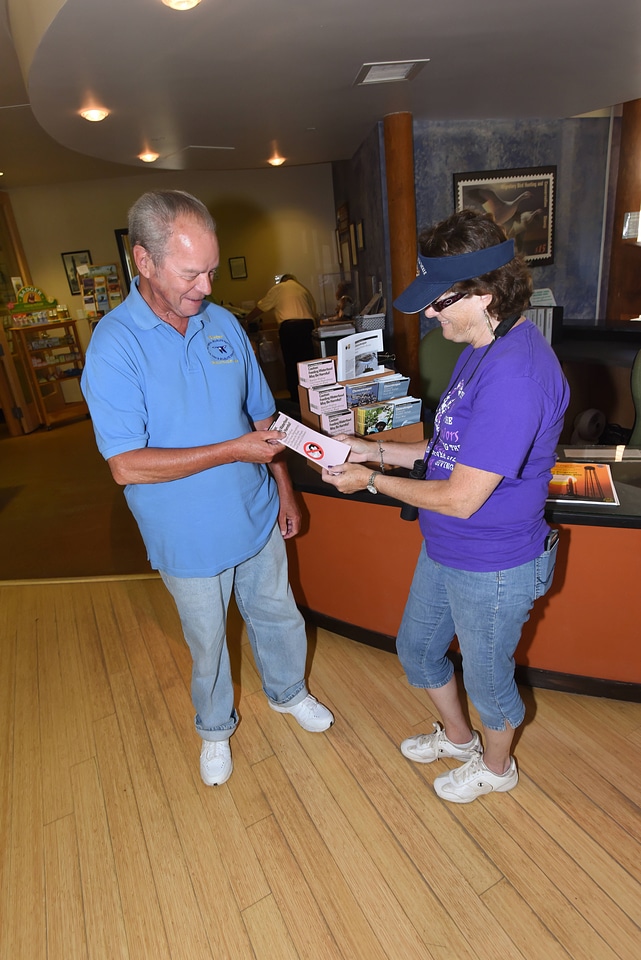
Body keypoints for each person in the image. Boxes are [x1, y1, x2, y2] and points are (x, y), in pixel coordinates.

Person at [81, 190, 333, 788]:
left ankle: (288, 692)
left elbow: (261, 418)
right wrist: (233, 450)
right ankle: (215, 729)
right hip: (185, 535)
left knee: (277, 613)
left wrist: (286, 491)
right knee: (208, 645)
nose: (206, 286)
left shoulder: (222, 324)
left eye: (212, 269)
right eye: (190, 272)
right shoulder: (115, 346)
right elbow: (126, 465)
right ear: (143, 261)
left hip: (254, 513)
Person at [322, 209, 569, 804]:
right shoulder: (481, 346)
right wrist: (371, 448)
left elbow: (462, 496)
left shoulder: (516, 374)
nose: (429, 315)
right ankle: (460, 740)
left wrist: (371, 481)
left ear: (483, 294)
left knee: (490, 684)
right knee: (417, 648)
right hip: (450, 548)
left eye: (438, 302)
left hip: (494, 562)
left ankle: (497, 767)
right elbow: (450, 448)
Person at [244, 274, 317, 400]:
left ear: (282, 281)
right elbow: (312, 311)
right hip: (307, 326)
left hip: (290, 328)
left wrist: (246, 320)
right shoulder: (302, 289)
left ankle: (295, 397)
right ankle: (310, 396)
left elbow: (262, 306)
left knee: (291, 363)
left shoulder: (279, 288)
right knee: (307, 362)